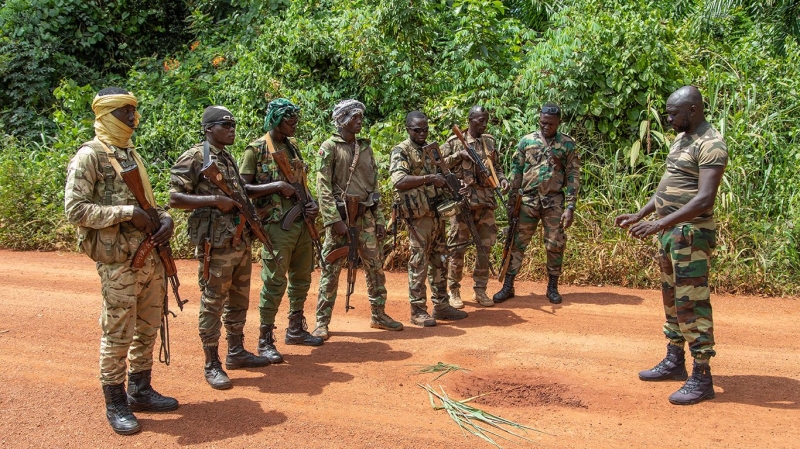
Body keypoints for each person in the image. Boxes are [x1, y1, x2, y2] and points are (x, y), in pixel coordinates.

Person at [64, 87, 178, 435]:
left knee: (147, 327)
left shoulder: (130, 153)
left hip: (149, 256)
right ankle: (115, 401)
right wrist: (125, 213)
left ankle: (140, 389)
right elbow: (75, 210)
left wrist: (164, 219)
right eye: (125, 112)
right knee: (117, 333)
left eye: (134, 110)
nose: (133, 117)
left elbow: (147, 203)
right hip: (118, 262)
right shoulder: (91, 156)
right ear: (106, 114)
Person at [614, 86, 727, 405]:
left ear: (693, 110)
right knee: (672, 299)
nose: (668, 118)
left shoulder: (711, 143)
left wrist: (660, 223)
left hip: (691, 233)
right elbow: (670, 183)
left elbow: (704, 198)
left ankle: (702, 376)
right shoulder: (682, 138)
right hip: (671, 233)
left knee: (692, 302)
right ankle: (675, 360)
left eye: (673, 113)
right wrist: (643, 212)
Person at [170, 106, 269, 391]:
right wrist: (214, 199)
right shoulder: (195, 157)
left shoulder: (225, 156)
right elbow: (174, 197)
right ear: (208, 129)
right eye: (225, 125)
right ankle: (211, 363)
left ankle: (236, 351)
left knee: (239, 299)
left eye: (233, 125)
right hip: (215, 243)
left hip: (237, 240)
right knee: (213, 301)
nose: (232, 130)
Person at [239, 99, 324, 363]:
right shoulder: (256, 150)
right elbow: (243, 190)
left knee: (302, 277)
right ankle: (265, 339)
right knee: (275, 281)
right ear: (276, 120)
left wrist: (312, 205)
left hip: (300, 224)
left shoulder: (293, 147)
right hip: (276, 226)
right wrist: (275, 186)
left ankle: (296, 328)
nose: (294, 124)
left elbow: (302, 183)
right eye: (290, 120)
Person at [312, 99, 403, 340]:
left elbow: (374, 185)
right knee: (331, 269)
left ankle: (379, 314)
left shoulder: (365, 148)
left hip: (365, 217)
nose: (359, 121)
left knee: (374, 267)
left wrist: (380, 218)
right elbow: (322, 188)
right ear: (342, 120)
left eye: (360, 117)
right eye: (354, 117)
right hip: (341, 218)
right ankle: (321, 322)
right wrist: (333, 221)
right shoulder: (329, 147)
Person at [493, 102, 580, 305]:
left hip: (554, 201)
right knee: (516, 243)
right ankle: (508, 286)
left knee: (555, 244)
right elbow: (517, 172)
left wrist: (570, 206)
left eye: (550, 124)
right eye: (542, 123)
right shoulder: (526, 142)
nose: (545, 127)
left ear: (558, 122)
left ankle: (552, 287)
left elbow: (574, 175)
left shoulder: (567, 144)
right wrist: (511, 202)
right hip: (528, 201)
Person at [390, 111, 469, 326]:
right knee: (419, 262)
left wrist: (455, 187)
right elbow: (398, 180)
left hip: (437, 212)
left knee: (440, 259)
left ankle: (441, 305)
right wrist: (429, 178)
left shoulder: (431, 151)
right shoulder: (402, 151)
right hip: (418, 217)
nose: (422, 133)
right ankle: (417, 310)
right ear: (408, 130)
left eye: (425, 129)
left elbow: (442, 175)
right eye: (417, 130)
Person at [439, 105, 509, 308]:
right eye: (480, 120)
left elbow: (497, 167)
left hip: (486, 202)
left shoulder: (489, 142)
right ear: (470, 120)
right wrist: (458, 156)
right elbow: (439, 166)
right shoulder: (454, 143)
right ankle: (453, 291)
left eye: (486, 120)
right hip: (463, 204)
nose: (484, 124)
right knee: (457, 248)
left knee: (485, 247)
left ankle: (480, 290)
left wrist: (502, 179)